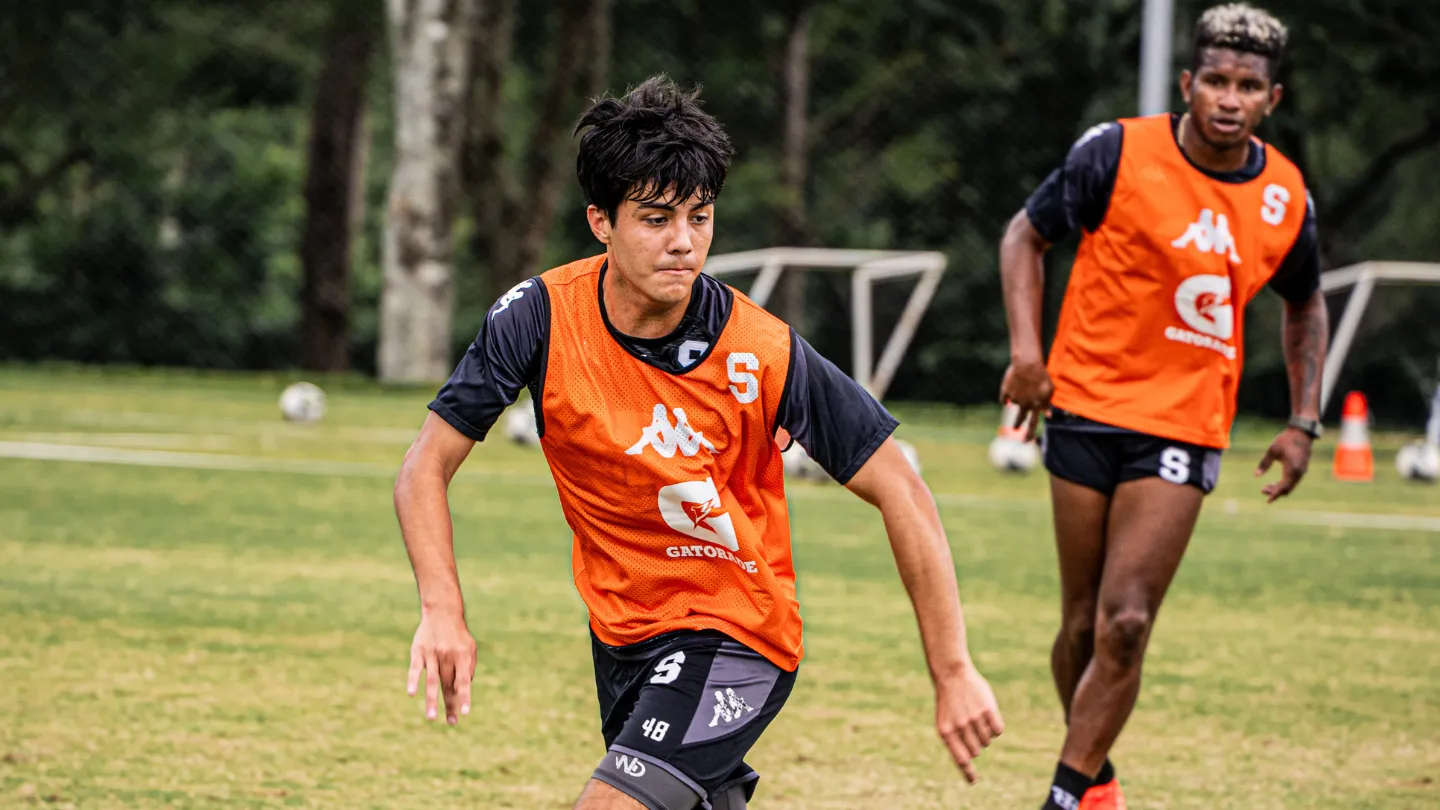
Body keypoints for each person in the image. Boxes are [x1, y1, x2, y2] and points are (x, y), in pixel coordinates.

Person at [394, 75, 1003, 810]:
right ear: (601, 222)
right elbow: (424, 467)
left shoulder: (761, 350)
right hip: (623, 637)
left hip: (736, 632)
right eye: (656, 219)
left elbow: (902, 489)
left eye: (700, 217)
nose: (683, 242)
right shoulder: (538, 320)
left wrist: (953, 670)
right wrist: (443, 610)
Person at [997, 5, 1329, 809]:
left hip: (1183, 424)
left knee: (1127, 623)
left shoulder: (1285, 195)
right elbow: (1023, 237)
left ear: (1272, 99)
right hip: (1085, 404)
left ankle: (1064, 796)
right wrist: (1028, 356)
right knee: (1082, 625)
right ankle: (1098, 778)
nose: (1229, 98)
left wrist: (1303, 420)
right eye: (1215, 80)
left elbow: (1305, 302)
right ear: (1187, 84)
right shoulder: (1114, 152)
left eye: (1247, 86)